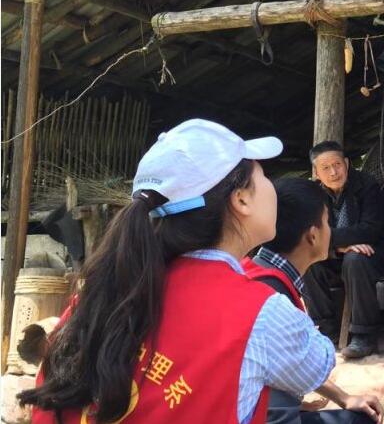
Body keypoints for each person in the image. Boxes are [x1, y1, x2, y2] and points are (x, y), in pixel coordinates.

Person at [19, 119, 335, 424]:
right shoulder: (261, 313)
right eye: (264, 175)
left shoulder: (102, 294)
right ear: (241, 199)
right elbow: (316, 364)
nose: (272, 187)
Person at [243, 178, 384, 424]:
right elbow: (316, 362)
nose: (332, 231)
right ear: (313, 236)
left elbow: (292, 361)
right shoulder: (273, 300)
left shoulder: (251, 271)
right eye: (328, 222)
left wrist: (343, 397)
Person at [303, 141, 384, 359]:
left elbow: (369, 230)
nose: (333, 172)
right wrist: (339, 246)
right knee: (309, 262)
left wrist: (334, 242)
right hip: (340, 251)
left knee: (356, 259)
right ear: (316, 173)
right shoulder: (314, 195)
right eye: (326, 168)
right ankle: (325, 330)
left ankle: (364, 336)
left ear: (347, 164)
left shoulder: (367, 185)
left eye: (337, 164)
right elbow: (312, 234)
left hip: (379, 249)